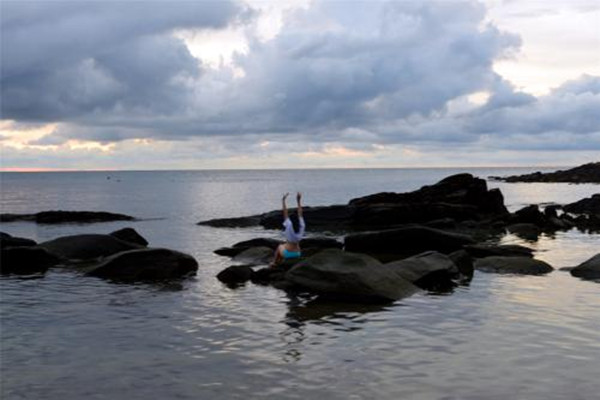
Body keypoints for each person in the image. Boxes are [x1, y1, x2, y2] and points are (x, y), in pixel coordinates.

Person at [270, 192, 305, 267]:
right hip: (298, 253)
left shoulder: (289, 224)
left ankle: (274, 263)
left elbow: (285, 213)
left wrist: (283, 200)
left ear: (291, 220)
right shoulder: (302, 225)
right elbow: (300, 213)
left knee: (279, 247)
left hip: (288, 254)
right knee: (285, 245)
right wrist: (298, 200)